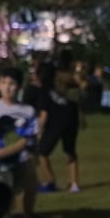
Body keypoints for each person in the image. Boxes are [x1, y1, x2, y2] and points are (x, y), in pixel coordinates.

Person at [0, 67, 39, 218]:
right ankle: (6, 216)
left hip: (22, 156)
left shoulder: (27, 110)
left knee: (30, 181)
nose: (7, 87)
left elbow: (32, 136)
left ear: (19, 87)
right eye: (4, 83)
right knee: (6, 186)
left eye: (12, 83)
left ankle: (27, 214)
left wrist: (32, 152)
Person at [23, 61, 82, 193]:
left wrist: (39, 130)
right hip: (71, 119)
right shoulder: (58, 89)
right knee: (70, 151)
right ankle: (75, 185)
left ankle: (50, 182)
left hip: (56, 122)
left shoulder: (43, 92)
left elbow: (44, 114)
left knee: (42, 153)